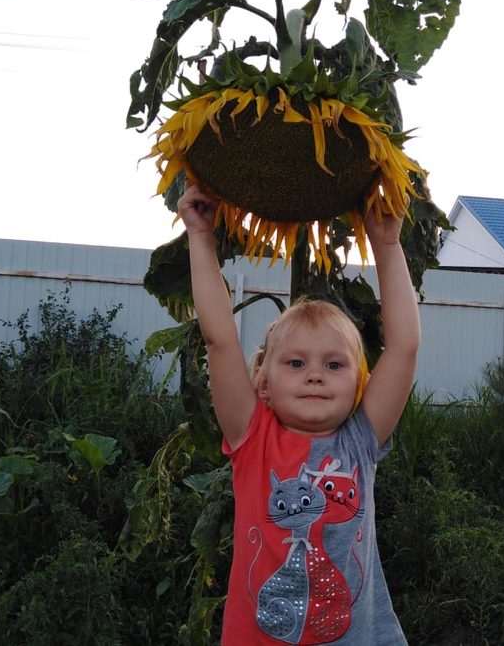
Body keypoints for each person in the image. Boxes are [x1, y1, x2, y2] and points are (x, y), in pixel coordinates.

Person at [179, 180, 420, 645]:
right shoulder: (252, 436)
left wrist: (387, 245)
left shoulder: (359, 439)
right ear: (263, 383)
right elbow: (219, 339)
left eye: (334, 364)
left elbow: (404, 348)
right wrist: (200, 237)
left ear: (360, 383)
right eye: (296, 363)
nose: (315, 375)